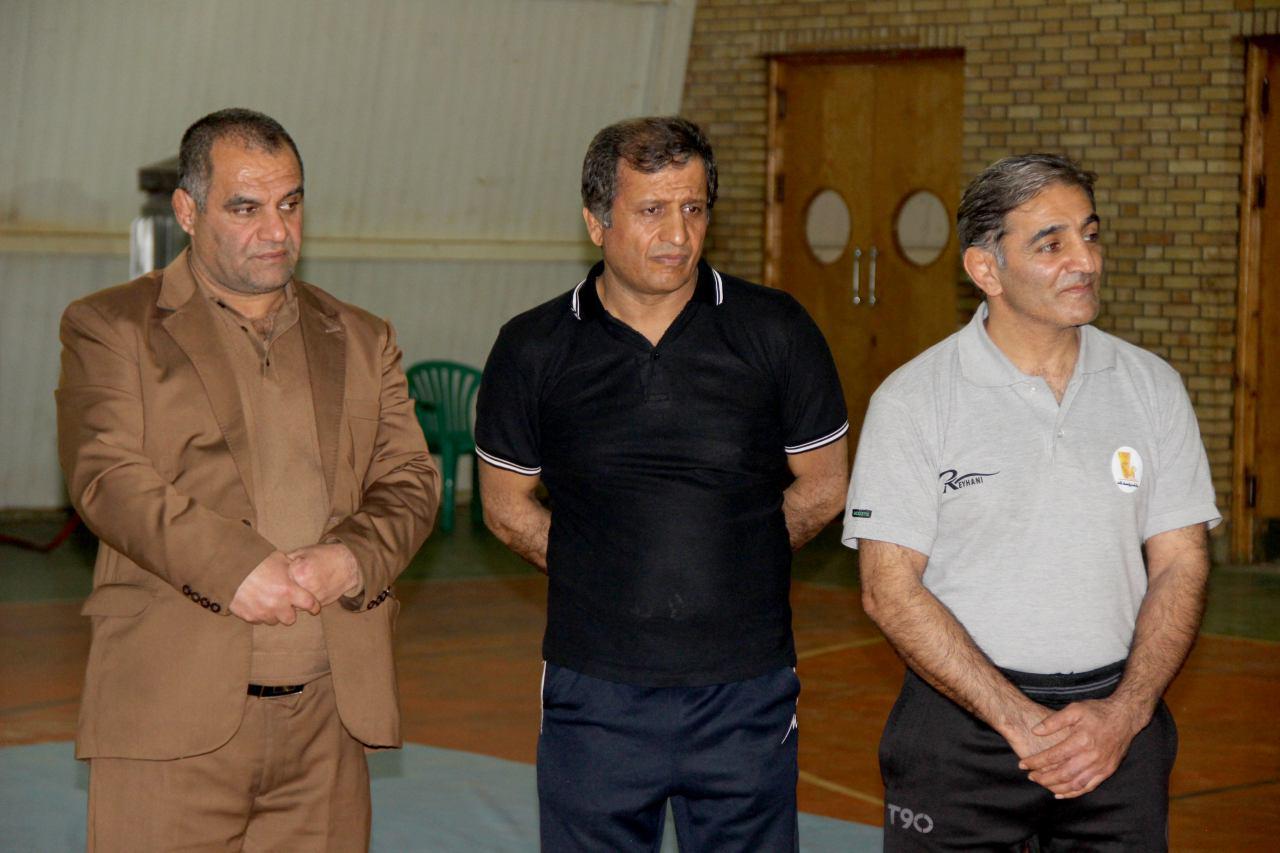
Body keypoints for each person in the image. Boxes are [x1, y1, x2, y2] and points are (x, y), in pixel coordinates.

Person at [56, 108, 440, 851]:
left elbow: (410, 479)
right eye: (245, 208)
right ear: (187, 211)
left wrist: (353, 556)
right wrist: (236, 568)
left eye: (290, 203)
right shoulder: (112, 327)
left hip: (328, 725)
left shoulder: (364, 338)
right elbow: (107, 475)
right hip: (168, 719)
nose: (276, 229)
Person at [474, 116, 849, 851]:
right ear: (596, 221)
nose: (677, 234)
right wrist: (602, 571)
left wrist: (737, 560)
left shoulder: (776, 329)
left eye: (693, 207)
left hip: (746, 688)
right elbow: (505, 506)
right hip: (595, 690)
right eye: (651, 210)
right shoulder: (533, 347)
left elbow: (825, 484)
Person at [844, 153, 1220, 850]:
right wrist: (1018, 720)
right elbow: (888, 588)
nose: (1086, 261)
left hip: (1117, 732)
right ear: (985, 269)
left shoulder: (1152, 386)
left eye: (1091, 234)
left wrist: (1126, 712)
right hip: (961, 732)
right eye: (1052, 244)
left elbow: (1181, 561)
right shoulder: (913, 399)